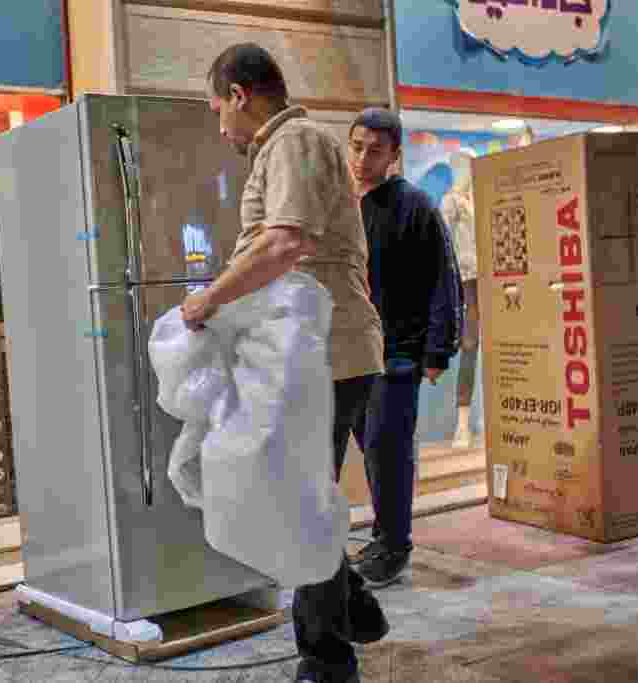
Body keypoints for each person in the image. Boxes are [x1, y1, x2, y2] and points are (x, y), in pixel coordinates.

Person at [181, 43, 388, 683]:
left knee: (298, 507)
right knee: (299, 498)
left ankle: (327, 663)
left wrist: (207, 301)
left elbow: (285, 242)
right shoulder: (283, 146)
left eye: (219, 108)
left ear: (240, 95)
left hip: (326, 354)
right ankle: (351, 604)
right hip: (311, 353)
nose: (221, 126)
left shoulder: (294, 141)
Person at [346, 109, 464, 587]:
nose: (362, 158)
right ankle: (381, 537)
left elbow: (443, 279)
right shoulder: (341, 203)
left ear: (394, 154)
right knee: (368, 449)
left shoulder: (415, 206)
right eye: (356, 146)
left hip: (397, 352)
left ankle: (395, 546)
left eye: (375, 150)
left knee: (388, 450)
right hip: (349, 351)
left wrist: (438, 351)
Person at [441, 149, 480, 449]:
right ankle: (462, 423)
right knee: (469, 345)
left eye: (464, 167)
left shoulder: (483, 197)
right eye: (457, 168)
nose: (462, 173)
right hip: (467, 281)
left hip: (491, 279)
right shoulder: (452, 201)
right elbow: (442, 238)